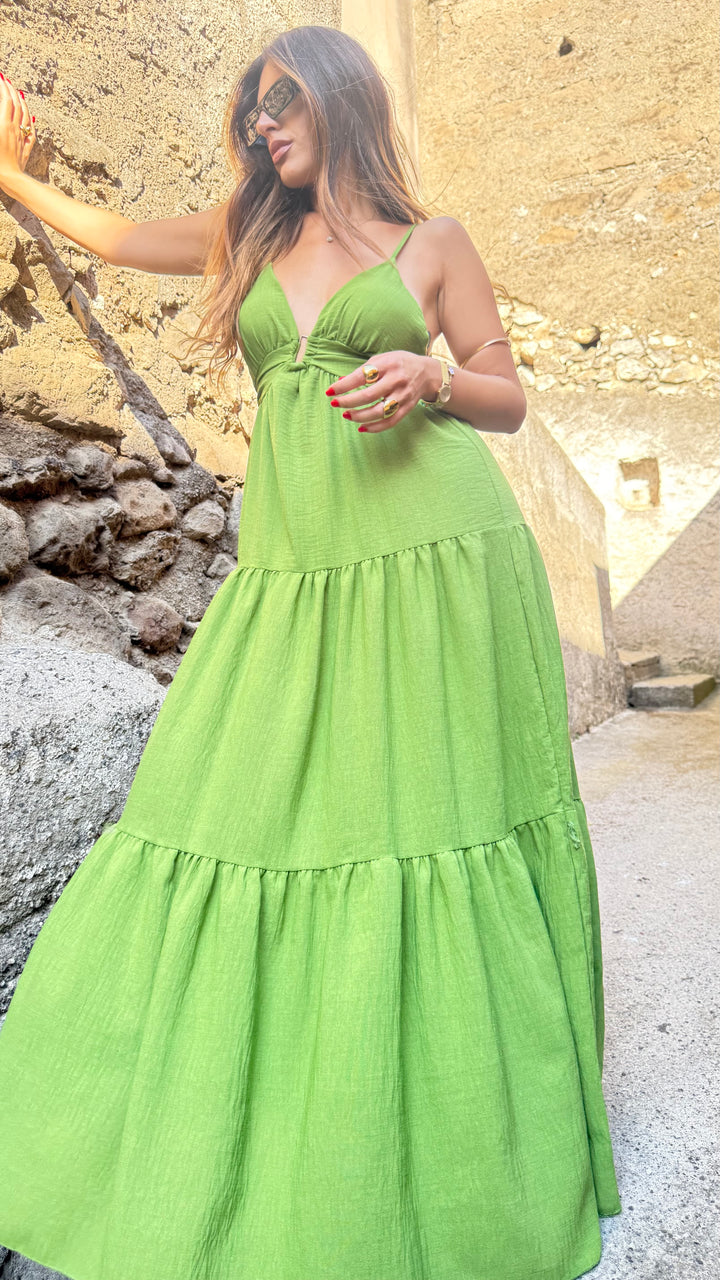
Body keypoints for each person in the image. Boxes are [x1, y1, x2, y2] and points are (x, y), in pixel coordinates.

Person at [0, 24, 622, 1280]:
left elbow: (505, 392)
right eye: (251, 108)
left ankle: (448, 1145)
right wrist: (10, 176)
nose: (262, 124)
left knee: (438, 813)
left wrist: (430, 380)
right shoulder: (247, 232)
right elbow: (118, 239)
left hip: (440, 555)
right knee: (213, 809)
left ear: (341, 98)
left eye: (282, 101)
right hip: (293, 573)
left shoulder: (431, 243)